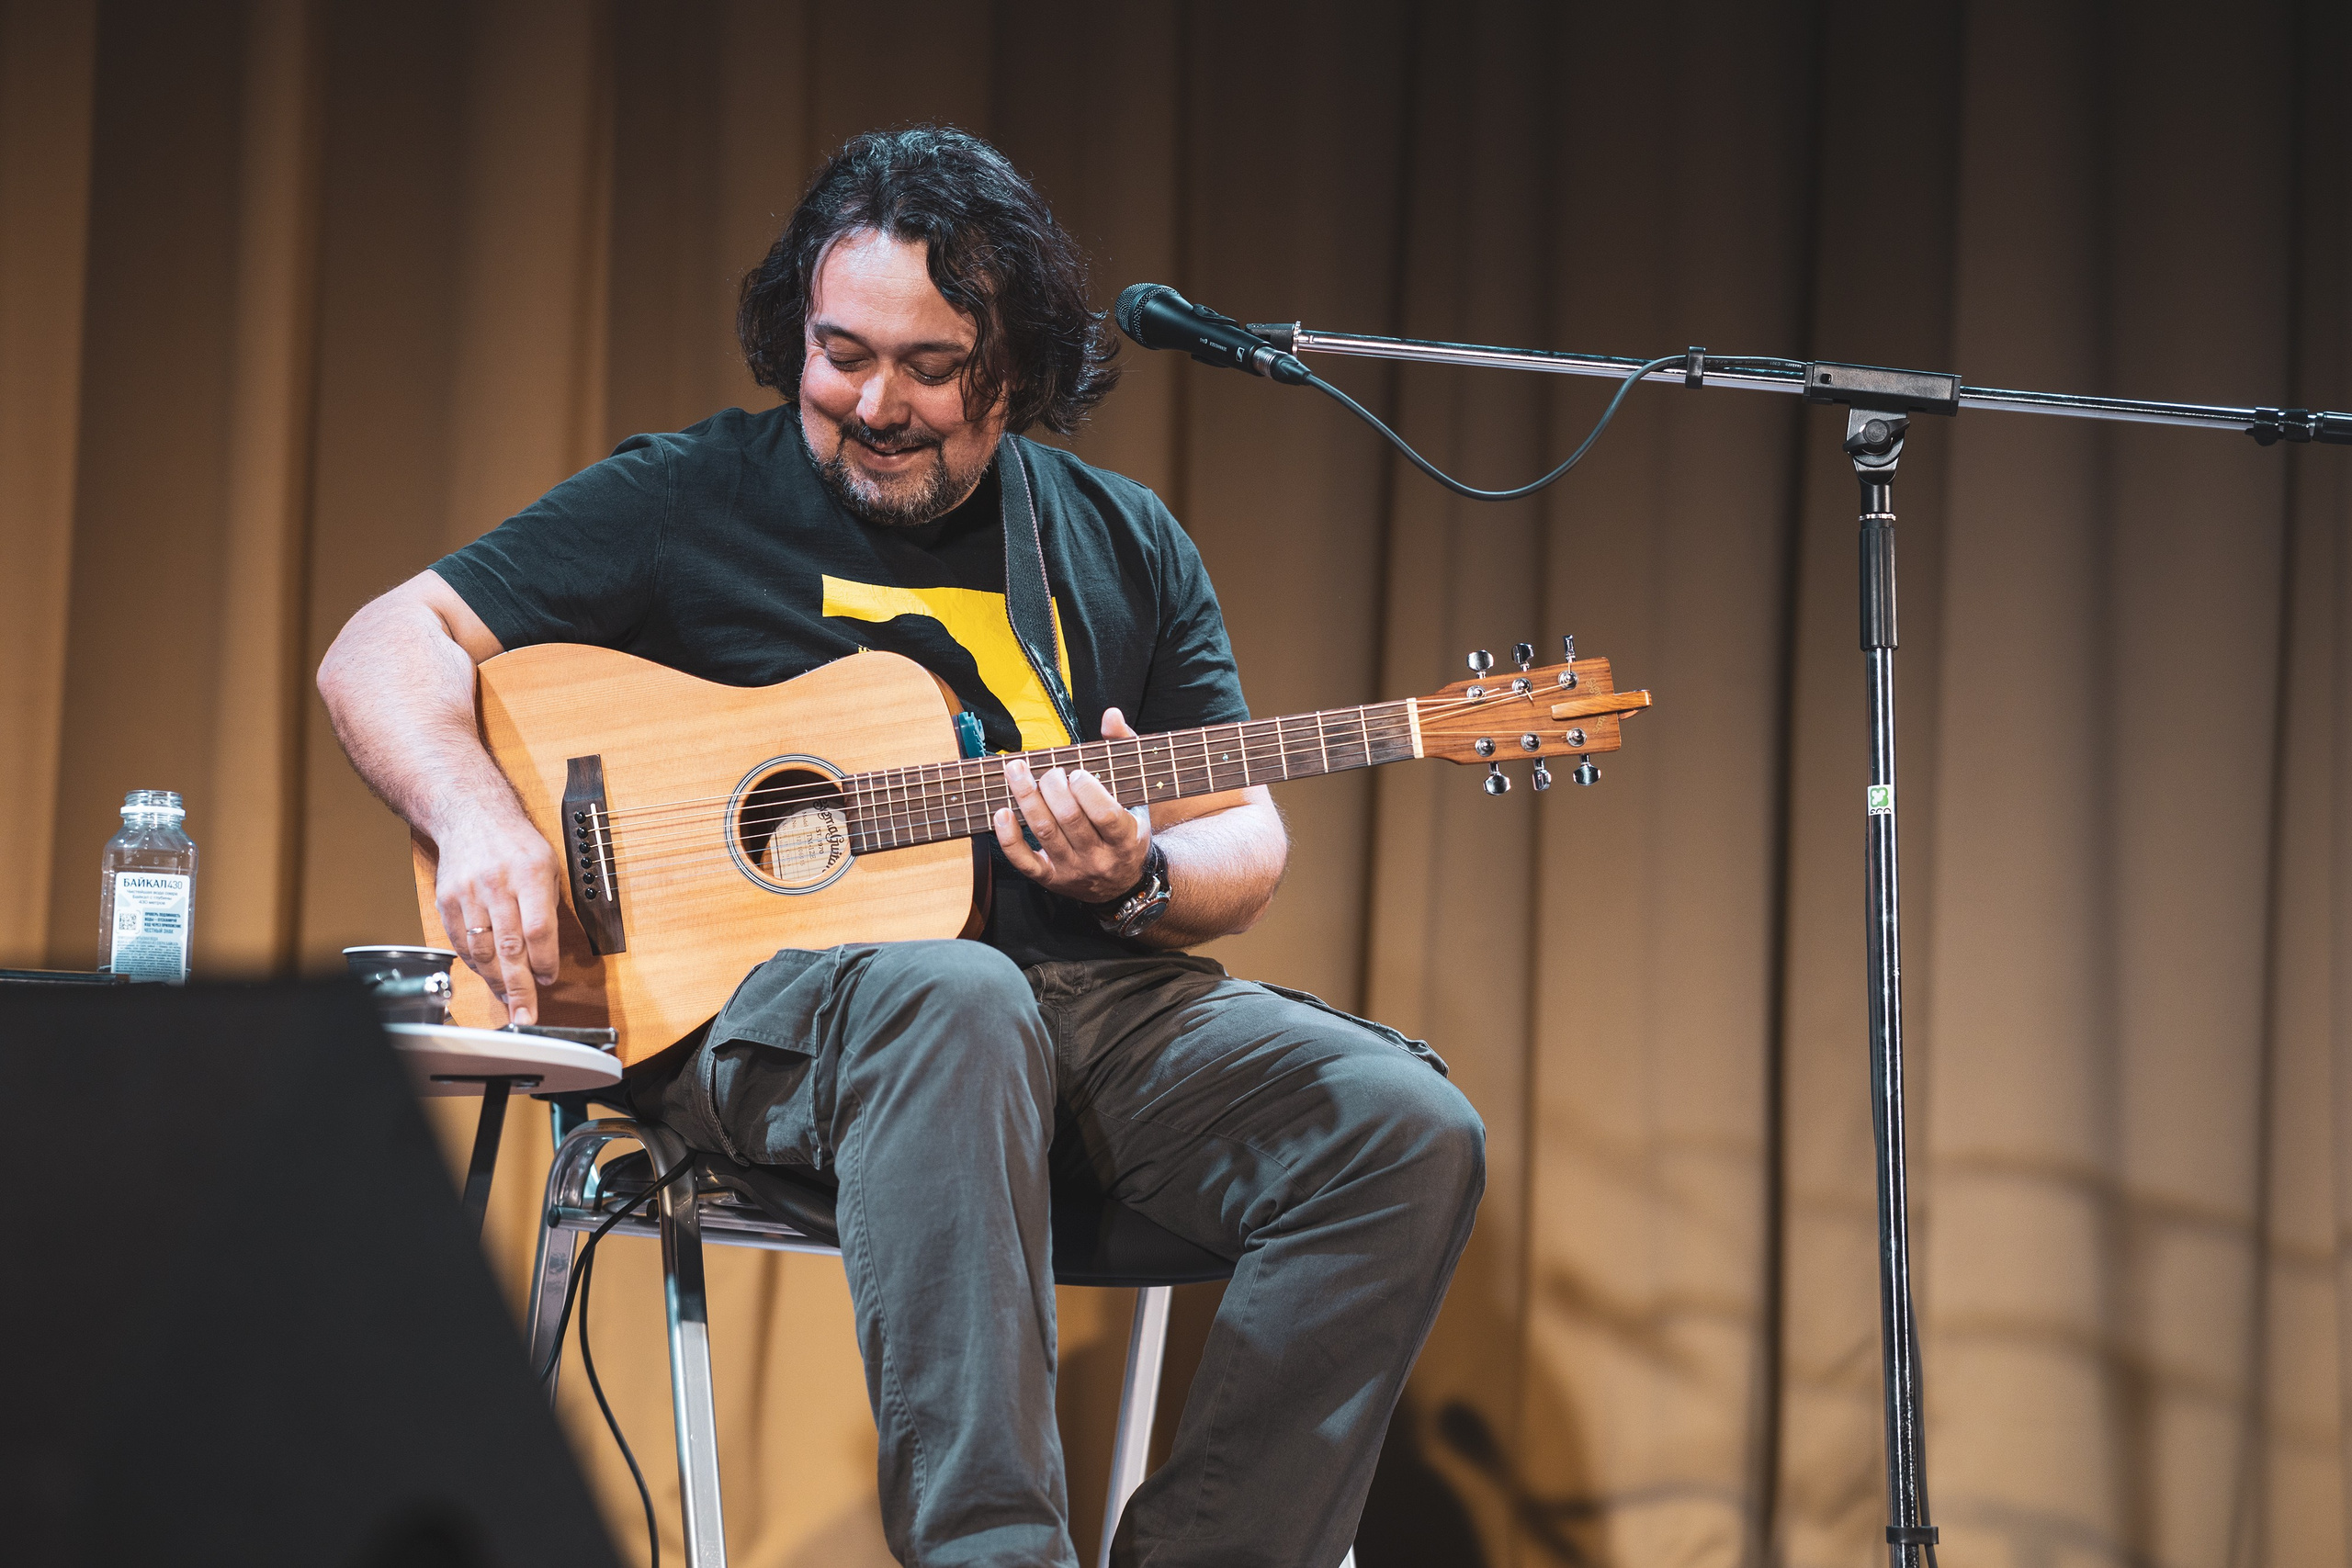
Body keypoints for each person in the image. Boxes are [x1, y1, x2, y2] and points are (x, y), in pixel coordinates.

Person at [318, 126, 1483, 1568]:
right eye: (838, 352)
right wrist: (479, 819)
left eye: (929, 369)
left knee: (1401, 1130)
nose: (873, 402)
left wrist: (1142, 874)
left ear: (1020, 376)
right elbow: (382, 645)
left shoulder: (1121, 542)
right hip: (773, 1024)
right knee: (957, 993)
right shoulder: (689, 496)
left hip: (1088, 1015)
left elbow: (1241, 828)